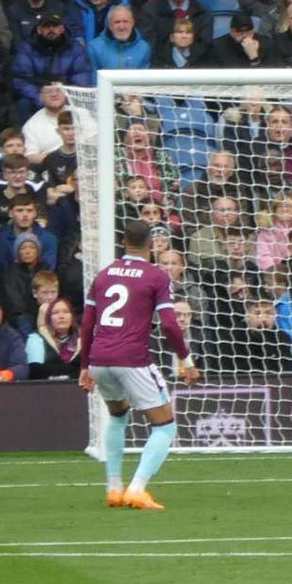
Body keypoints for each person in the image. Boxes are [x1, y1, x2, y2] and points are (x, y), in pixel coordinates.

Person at [76, 217, 200, 510]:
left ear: (123, 242)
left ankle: (113, 487)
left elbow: (87, 323)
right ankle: (136, 489)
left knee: (118, 416)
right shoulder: (156, 276)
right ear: (151, 245)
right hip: (131, 359)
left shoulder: (104, 275)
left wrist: (84, 366)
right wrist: (186, 360)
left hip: (99, 359)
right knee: (165, 426)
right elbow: (169, 324)